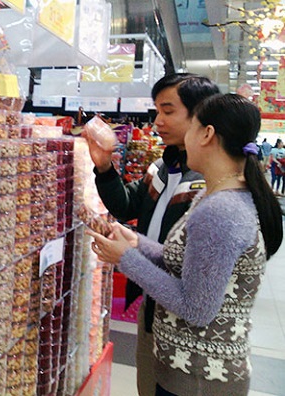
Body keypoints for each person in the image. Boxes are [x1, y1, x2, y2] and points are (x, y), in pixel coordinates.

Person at [88, 93, 283, 396]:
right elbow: (189, 264)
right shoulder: (215, 196)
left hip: (199, 377)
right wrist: (137, 243)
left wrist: (126, 259)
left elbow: (196, 307)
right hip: (189, 370)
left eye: (191, 127)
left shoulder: (221, 210)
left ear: (206, 134)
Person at [86, 73, 220, 396]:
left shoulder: (212, 183)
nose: (158, 120)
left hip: (186, 325)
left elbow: (196, 280)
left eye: (168, 111)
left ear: (201, 116)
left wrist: (129, 256)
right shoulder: (161, 167)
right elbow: (126, 204)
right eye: (156, 110)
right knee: (148, 384)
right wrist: (104, 167)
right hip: (152, 305)